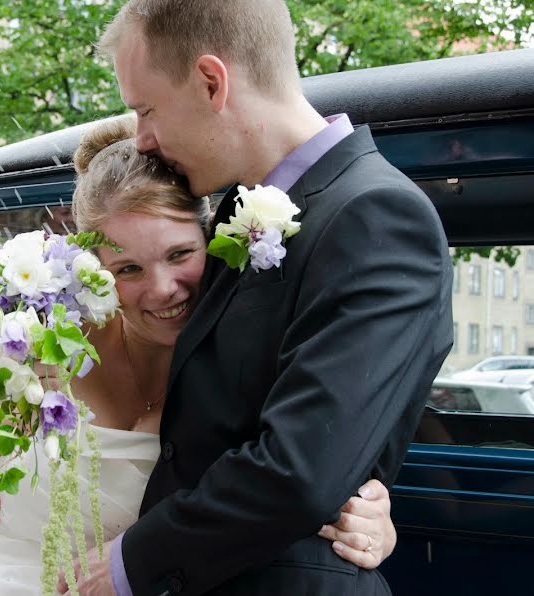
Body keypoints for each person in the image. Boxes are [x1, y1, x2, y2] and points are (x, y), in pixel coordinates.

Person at [0, 116, 398, 595]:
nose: (163, 290)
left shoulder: (251, 351)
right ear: (88, 268)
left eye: (180, 254)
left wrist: (371, 515)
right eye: (129, 269)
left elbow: (296, 471)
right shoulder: (48, 339)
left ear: (213, 237)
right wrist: (2, 427)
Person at [65, 1, 453, 594]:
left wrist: (131, 564)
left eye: (145, 109)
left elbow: (302, 470)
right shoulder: (234, 211)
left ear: (211, 82)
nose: (140, 136)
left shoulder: (375, 216)